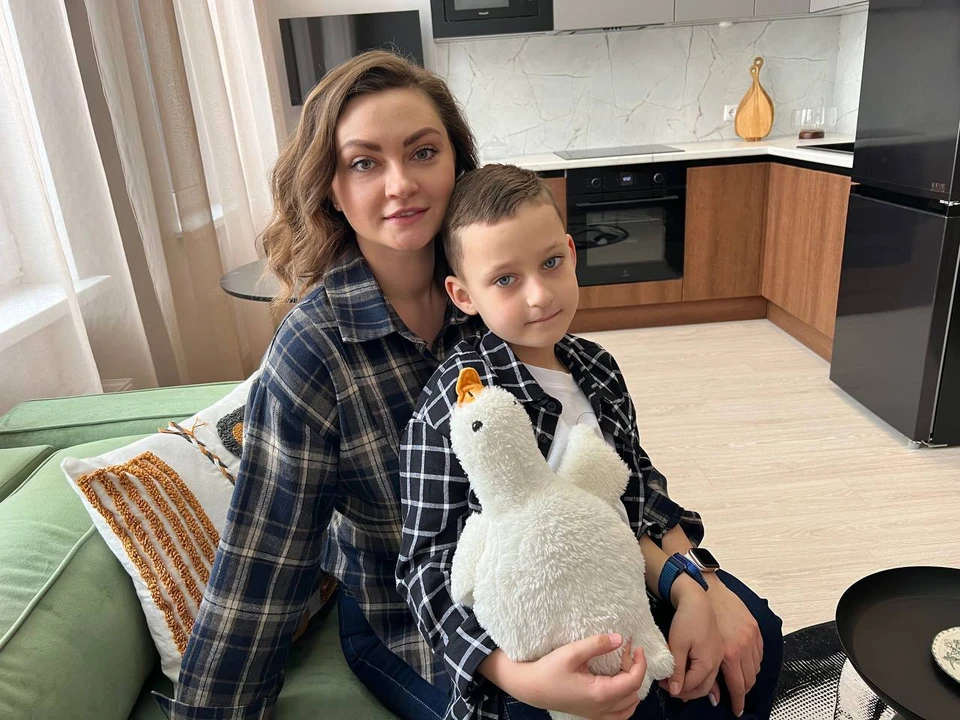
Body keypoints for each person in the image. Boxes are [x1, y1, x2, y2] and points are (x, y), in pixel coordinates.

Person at [155, 50, 488, 719]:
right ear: (332, 189)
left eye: (423, 152)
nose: (401, 184)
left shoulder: (498, 293)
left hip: (533, 576)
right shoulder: (314, 349)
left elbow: (590, 447)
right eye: (365, 163)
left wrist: (687, 577)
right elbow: (265, 554)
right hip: (405, 617)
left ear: (456, 163)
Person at [396, 164, 784, 720]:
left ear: (573, 252)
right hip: (534, 646)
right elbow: (425, 565)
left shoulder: (598, 368)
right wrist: (521, 679)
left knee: (758, 633)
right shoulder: (458, 402)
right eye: (505, 280)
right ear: (463, 294)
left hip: (626, 584)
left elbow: (638, 490)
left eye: (551, 263)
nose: (539, 295)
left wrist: (694, 584)